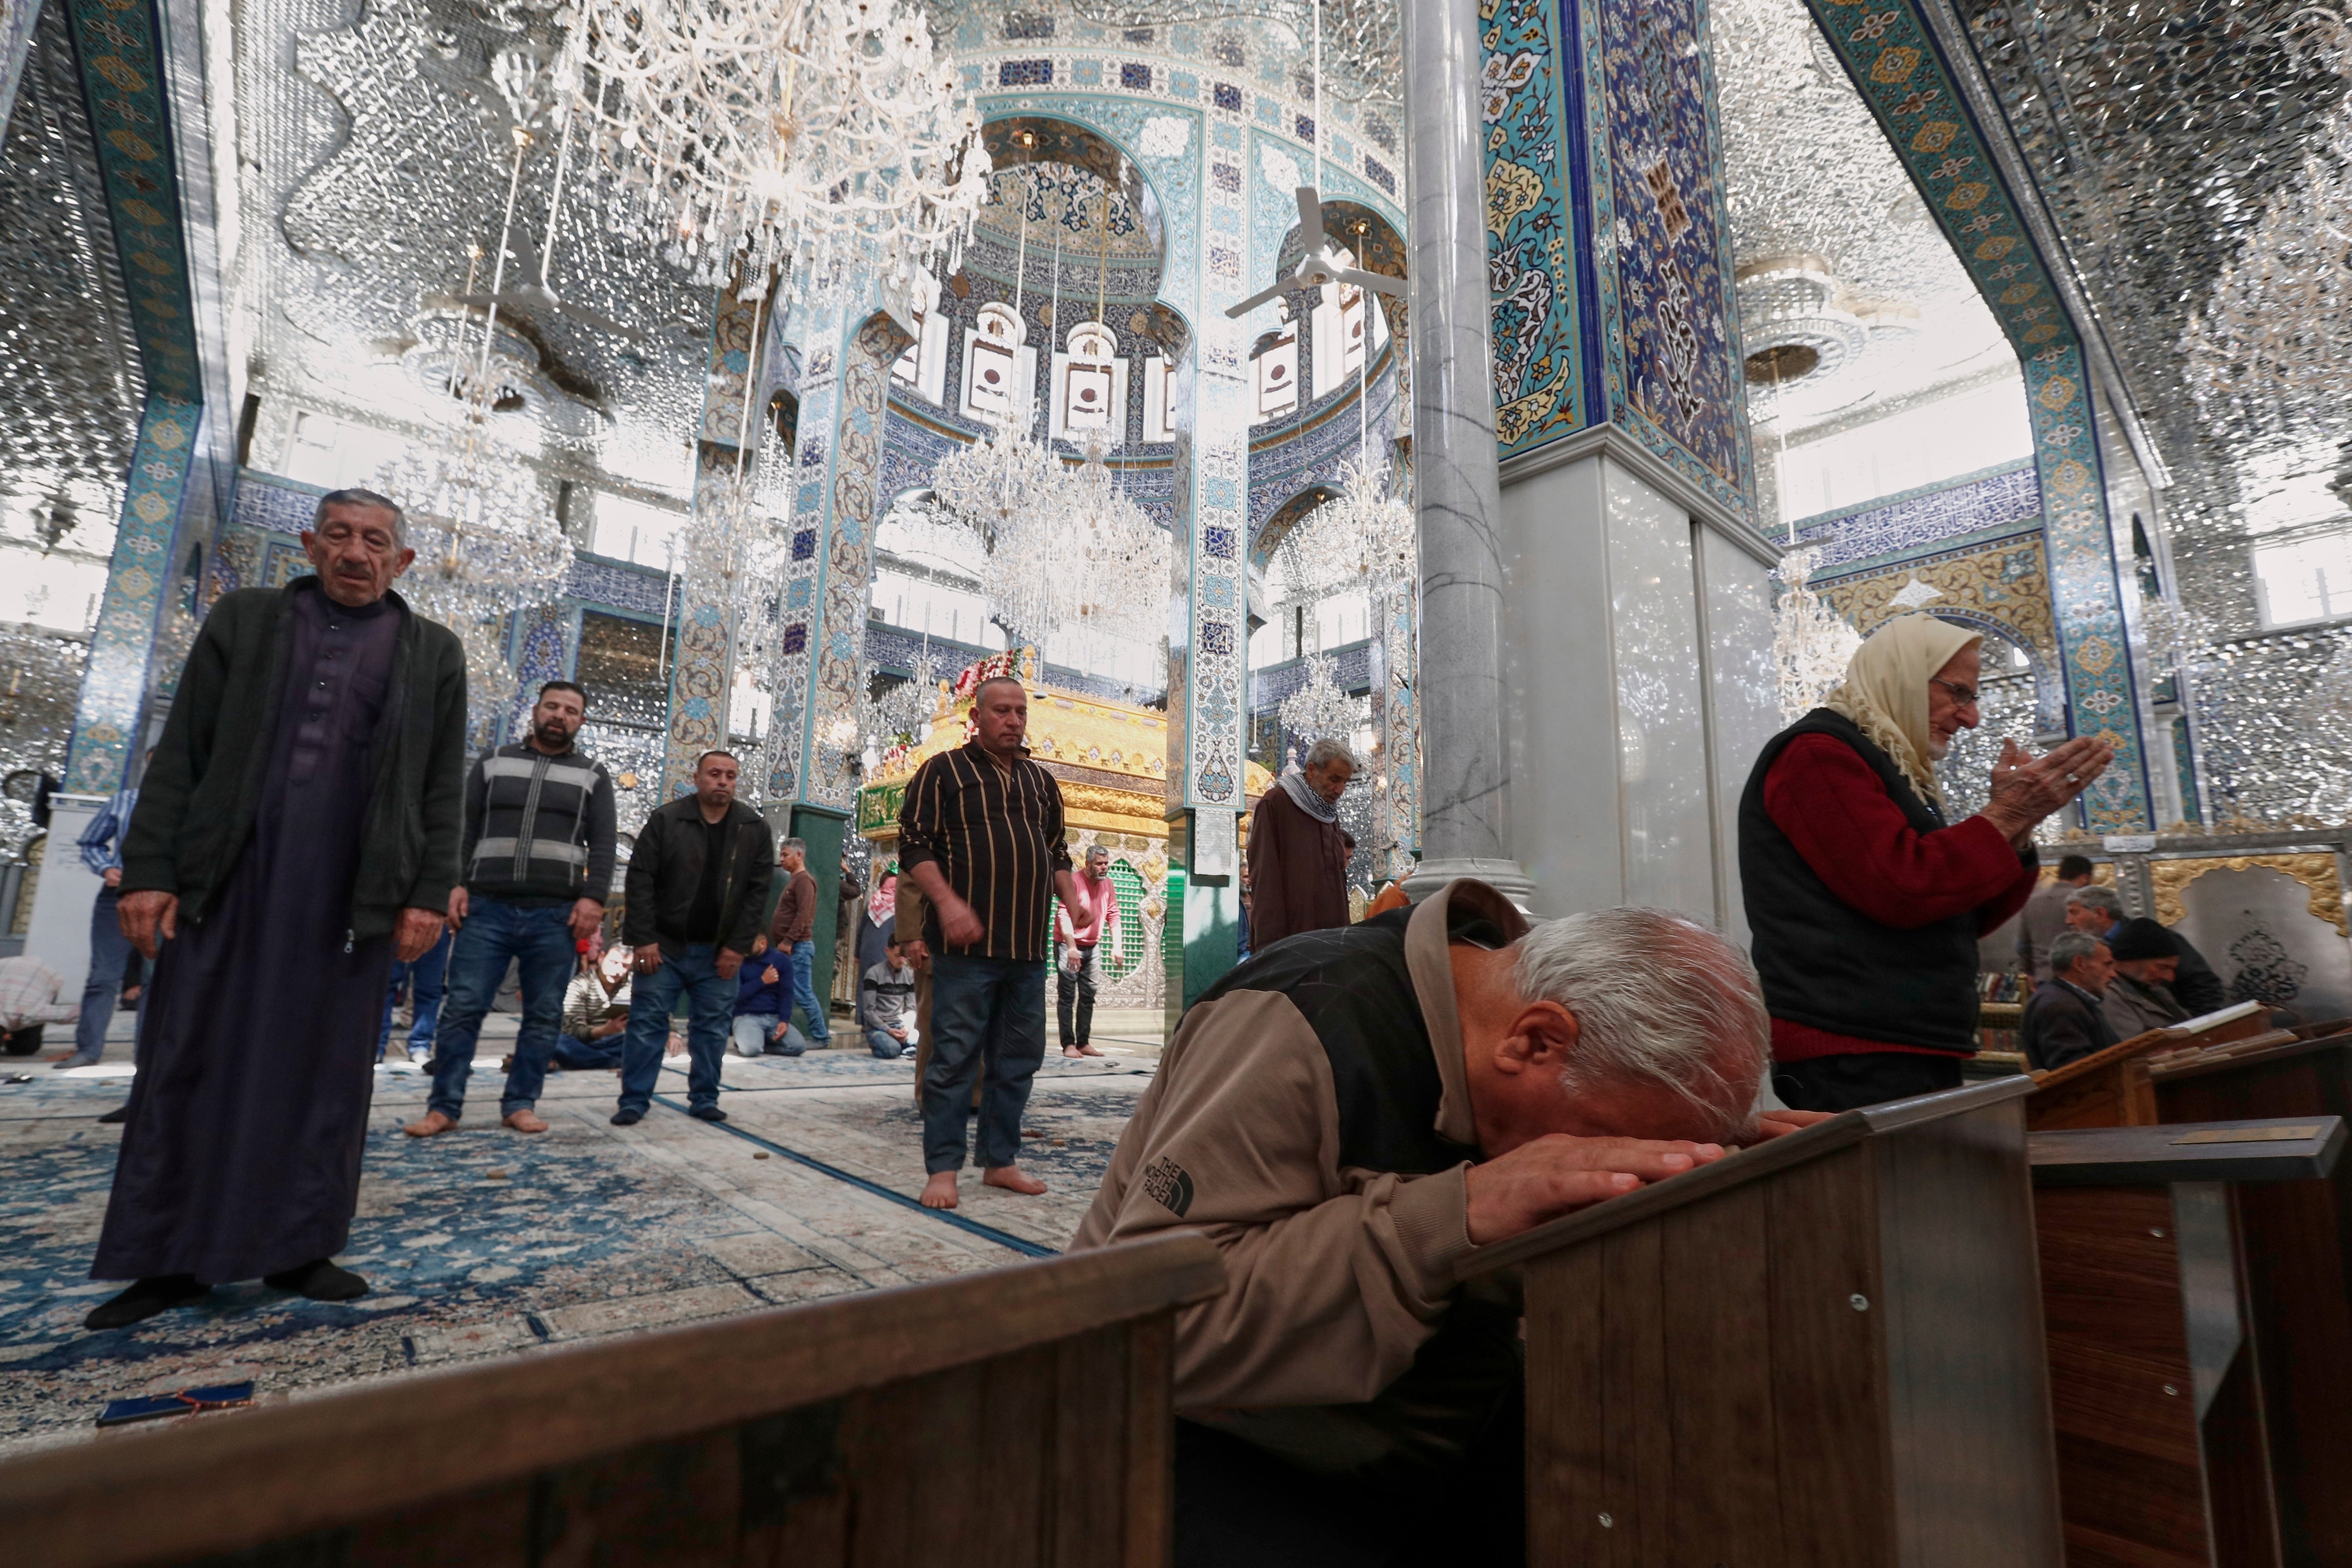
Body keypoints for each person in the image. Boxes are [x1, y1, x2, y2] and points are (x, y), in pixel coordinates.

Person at [1071, 879, 1827, 1566]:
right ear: (1535, 1040)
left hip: (1419, 1421)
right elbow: (1156, 1328)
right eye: (1608, 1139)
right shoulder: (1300, 1018)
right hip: (1197, 1440)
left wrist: (1713, 1165)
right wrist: (1453, 1214)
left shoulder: (1514, 1010)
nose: (1606, 1158)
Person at [89, 489, 465, 1329]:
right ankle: (166, 1258)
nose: (356, 553)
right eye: (340, 535)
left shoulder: (434, 652)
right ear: (310, 544)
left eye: (376, 541)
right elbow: (182, 751)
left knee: (323, 1070)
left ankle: (299, 1247)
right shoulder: (247, 620)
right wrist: (150, 869)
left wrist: (425, 893)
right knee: (190, 1057)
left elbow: (441, 787)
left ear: (403, 560)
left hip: (350, 898)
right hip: (229, 881)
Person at [1740, 615, 2113, 1112]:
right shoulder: (1818, 754)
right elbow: (1903, 889)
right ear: (1903, 675)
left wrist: (2018, 825)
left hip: (1909, 1039)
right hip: (1854, 1045)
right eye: (1958, 693)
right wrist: (2006, 814)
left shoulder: (1894, 765)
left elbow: (1960, 909)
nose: (1971, 717)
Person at [898, 674, 1085, 1210]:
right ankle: (943, 1170)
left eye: (1020, 712)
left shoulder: (1040, 782)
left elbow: (1056, 852)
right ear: (976, 717)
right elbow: (914, 846)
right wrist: (948, 903)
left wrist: (1071, 900)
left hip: (1026, 950)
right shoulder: (943, 771)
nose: (1013, 720)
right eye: (1001, 711)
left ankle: (1000, 1162)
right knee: (954, 1059)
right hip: (965, 953)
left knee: (1018, 1060)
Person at [404, 681, 615, 1139]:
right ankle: (444, 1107)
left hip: (555, 914)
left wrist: (593, 898)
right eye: (552, 706)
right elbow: (463, 829)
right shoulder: (493, 761)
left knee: (543, 1016)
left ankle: (520, 1103)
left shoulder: (593, 775)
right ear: (536, 711)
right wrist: (455, 883)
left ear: (581, 721)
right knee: (462, 1008)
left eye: (571, 710)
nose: (560, 715)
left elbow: (603, 844)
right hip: (487, 908)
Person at [612, 750, 773, 1127]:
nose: (723, 782)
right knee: (647, 1025)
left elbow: (757, 894)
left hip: (720, 951)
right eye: (715, 774)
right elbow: (640, 880)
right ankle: (633, 1101)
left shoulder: (752, 828)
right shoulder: (667, 820)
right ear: (697, 778)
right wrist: (644, 938)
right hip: (665, 947)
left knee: (713, 1030)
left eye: (730, 776)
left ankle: (704, 1098)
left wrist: (737, 947)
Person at [53, 758, 145, 1068]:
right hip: (117, 896)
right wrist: (106, 868)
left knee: (156, 981)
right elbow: (90, 843)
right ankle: (88, 1050)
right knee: (103, 977)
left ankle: (147, 1057)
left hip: (169, 897)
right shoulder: (124, 801)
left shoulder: (191, 802)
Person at [1247, 738, 1357, 951]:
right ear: (1312, 770)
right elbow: (1265, 877)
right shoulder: (1276, 803)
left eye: (1346, 782)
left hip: (1331, 941)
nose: (1340, 790)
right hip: (1291, 942)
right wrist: (1270, 947)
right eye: (1334, 779)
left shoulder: (1328, 813)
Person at [2068, 884, 2227, 1014]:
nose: (2069, 921)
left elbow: (2202, 983)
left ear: (2100, 914)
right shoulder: (2090, 949)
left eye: (2074, 913)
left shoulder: (2155, 938)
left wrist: (2199, 1025)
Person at [768, 836, 831, 1050]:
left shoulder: (804, 881)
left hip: (797, 947)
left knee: (803, 993)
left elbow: (803, 915)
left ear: (799, 855)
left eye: (786, 855)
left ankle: (821, 1036)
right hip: (790, 947)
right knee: (783, 989)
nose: (782, 859)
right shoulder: (795, 880)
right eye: (781, 855)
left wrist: (788, 941)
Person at [2023, 930, 2120, 1071]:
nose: (2113, 974)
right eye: (2107, 965)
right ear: (2080, 964)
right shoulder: (2058, 1007)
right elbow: (2073, 1070)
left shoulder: (2068, 1000)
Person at [1057, 844, 1118, 1058]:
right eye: (1099, 864)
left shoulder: (1108, 884)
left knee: (1089, 995)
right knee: (1067, 996)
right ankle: (1068, 1044)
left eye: (1106, 864)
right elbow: (1064, 916)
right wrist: (1072, 947)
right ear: (1088, 864)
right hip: (1069, 945)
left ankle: (1083, 1042)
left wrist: (1117, 946)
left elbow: (1113, 914)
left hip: (1093, 946)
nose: (1104, 868)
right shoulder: (1074, 882)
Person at [2102, 916, 2190, 1038]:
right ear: (2130, 961)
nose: (2170, 977)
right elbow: (2138, 1045)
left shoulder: (2157, 990)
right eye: (2163, 967)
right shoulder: (2111, 997)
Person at [2015, 854, 2096, 984]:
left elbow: (2023, 945)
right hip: (2080, 977)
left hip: (2044, 976)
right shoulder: (2086, 902)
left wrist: (2030, 973)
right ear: (2084, 878)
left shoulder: (2033, 901)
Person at [376, 928, 449, 1065]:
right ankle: (376, 1045)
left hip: (438, 921)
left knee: (430, 986)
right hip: (395, 920)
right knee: (385, 984)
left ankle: (421, 1046)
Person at [553, 942, 631, 1071]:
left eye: (625, 966)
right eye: (614, 963)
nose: (618, 971)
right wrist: (604, 1030)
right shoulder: (581, 984)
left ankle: (590, 1060)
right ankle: (611, 1061)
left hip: (617, 1041)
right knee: (557, 1042)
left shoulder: (633, 983)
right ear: (601, 958)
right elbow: (574, 1029)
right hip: (583, 1042)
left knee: (644, 1041)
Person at [732, 934, 798, 1057]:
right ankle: (748, 1041)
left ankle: (763, 1045)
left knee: (797, 1046)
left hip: (774, 1017)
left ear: (762, 944)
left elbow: (787, 994)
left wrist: (784, 1020)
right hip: (747, 1016)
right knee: (750, 1050)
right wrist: (762, 981)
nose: (744, 947)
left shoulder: (781, 961)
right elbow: (735, 995)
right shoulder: (739, 961)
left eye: (748, 944)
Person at [0, 955, 79, 1055]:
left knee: (24, 1048)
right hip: (5, 966)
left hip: (44, 974)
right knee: (19, 1045)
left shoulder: (30, 1013)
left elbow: (76, 1014)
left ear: (6, 1037)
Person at [862, 937, 919, 1059]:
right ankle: (903, 1048)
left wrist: (907, 1027)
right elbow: (869, 1012)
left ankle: (904, 1046)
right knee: (892, 1049)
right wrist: (888, 1030)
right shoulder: (873, 974)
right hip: (878, 1029)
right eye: (898, 956)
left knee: (929, 1045)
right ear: (887, 951)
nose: (902, 961)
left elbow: (911, 1008)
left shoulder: (909, 976)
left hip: (900, 1025)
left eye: (905, 956)